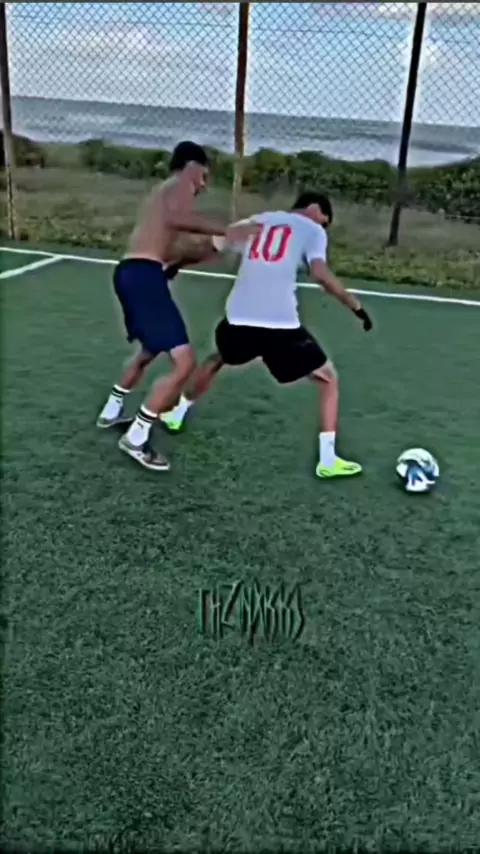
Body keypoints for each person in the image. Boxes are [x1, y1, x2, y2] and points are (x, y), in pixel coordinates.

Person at [159, 191, 373, 479]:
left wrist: (176, 264)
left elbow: (209, 247)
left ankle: (177, 413)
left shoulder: (258, 220)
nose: (324, 227)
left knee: (217, 358)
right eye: (325, 220)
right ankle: (328, 459)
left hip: (239, 317)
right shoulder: (312, 229)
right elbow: (321, 274)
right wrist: (355, 306)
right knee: (329, 379)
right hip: (279, 323)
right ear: (316, 210)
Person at [96, 140, 258, 472]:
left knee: (150, 349)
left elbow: (174, 246)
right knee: (185, 362)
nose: (203, 185)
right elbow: (180, 219)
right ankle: (136, 437)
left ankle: (112, 409)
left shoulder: (161, 195)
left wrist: (210, 248)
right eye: (203, 176)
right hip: (143, 277)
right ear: (191, 167)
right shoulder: (180, 184)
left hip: (134, 273)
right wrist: (231, 230)